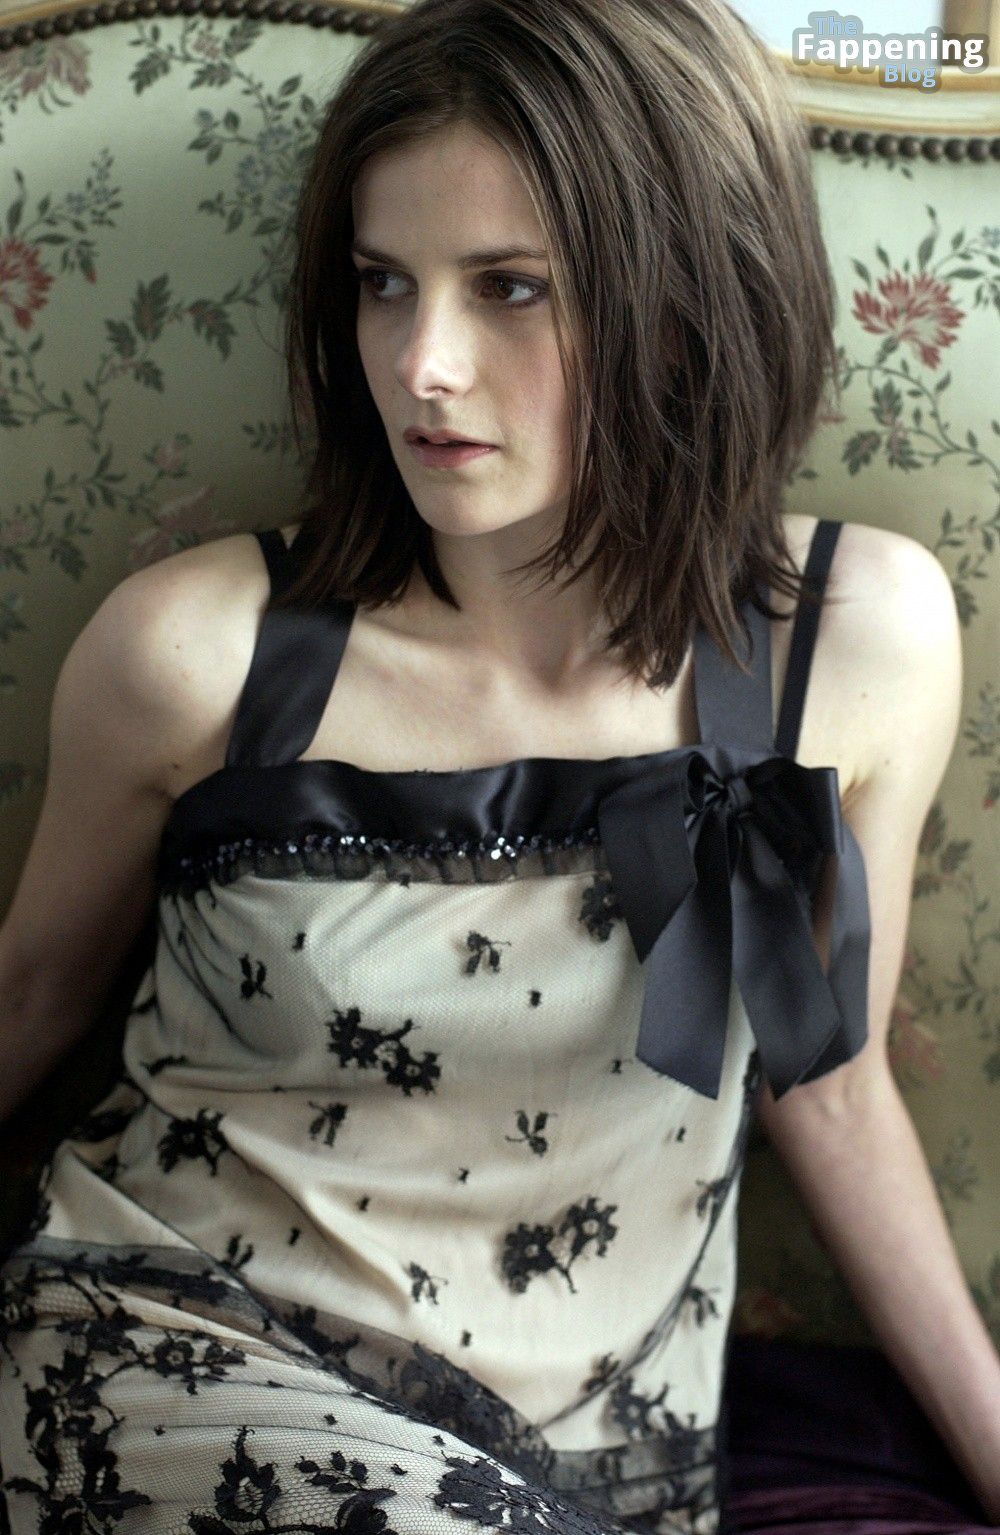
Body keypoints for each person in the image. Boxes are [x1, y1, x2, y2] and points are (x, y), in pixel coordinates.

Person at [0, 0, 997, 1532]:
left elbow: (831, 1085)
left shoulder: (856, 643)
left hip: (598, 1463)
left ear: (691, 303)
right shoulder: (199, 655)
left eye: (511, 288)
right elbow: (30, 996)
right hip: (186, 1372)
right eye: (383, 284)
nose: (424, 364)